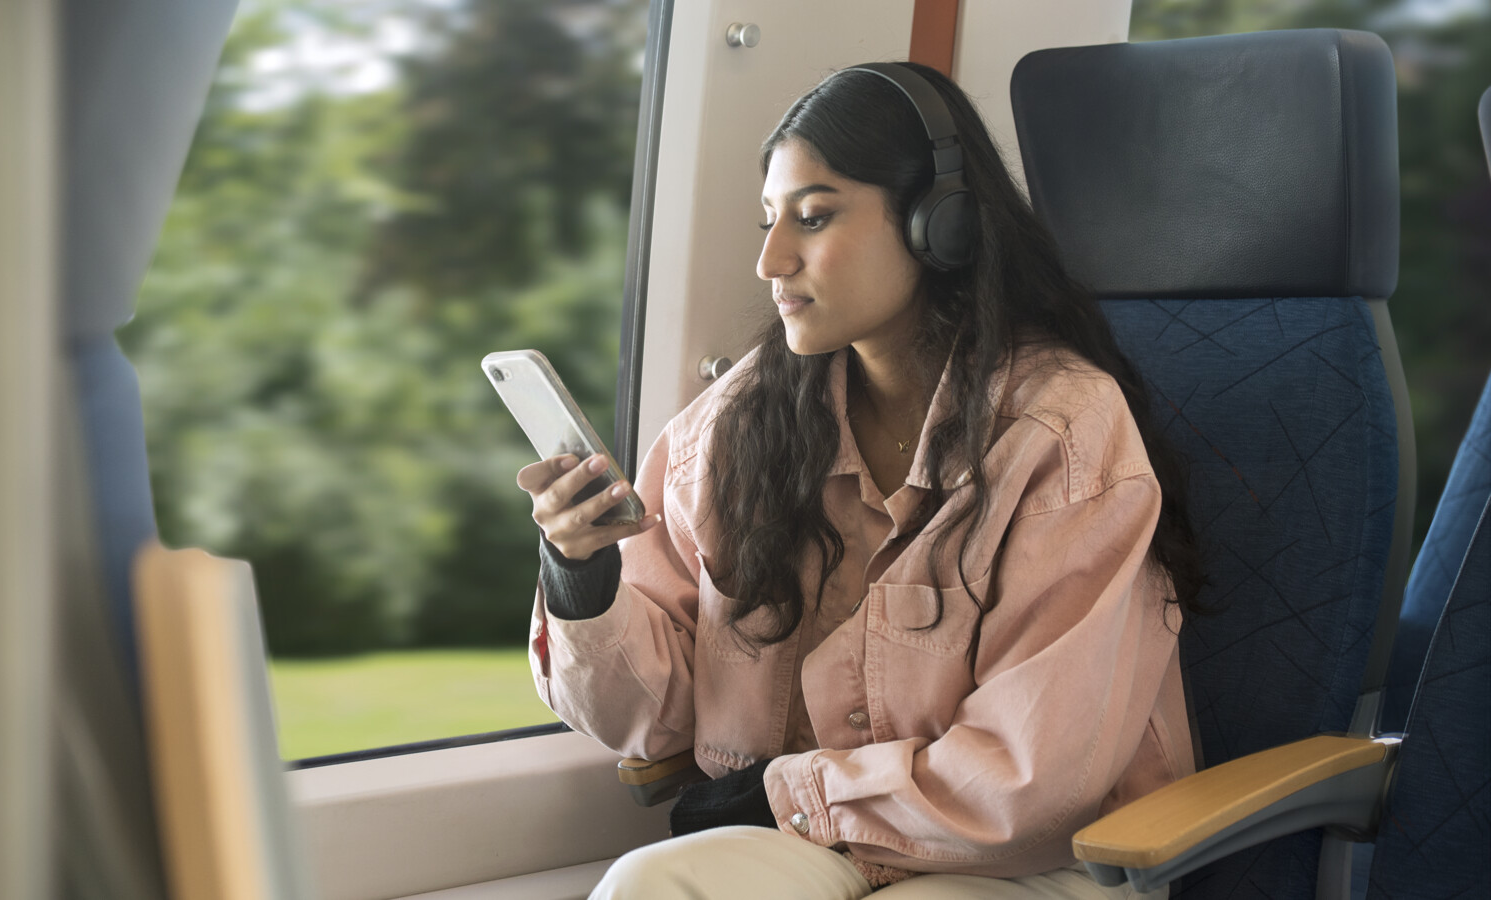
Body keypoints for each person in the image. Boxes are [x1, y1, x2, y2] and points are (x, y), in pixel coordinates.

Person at [516, 61, 1205, 899]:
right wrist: (580, 573)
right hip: (824, 839)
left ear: (937, 226)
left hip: (1039, 858)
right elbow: (654, 718)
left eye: (812, 218)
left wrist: (789, 795)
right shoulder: (739, 422)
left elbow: (1033, 782)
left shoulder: (1062, 431)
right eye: (767, 221)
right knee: (647, 885)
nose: (771, 260)